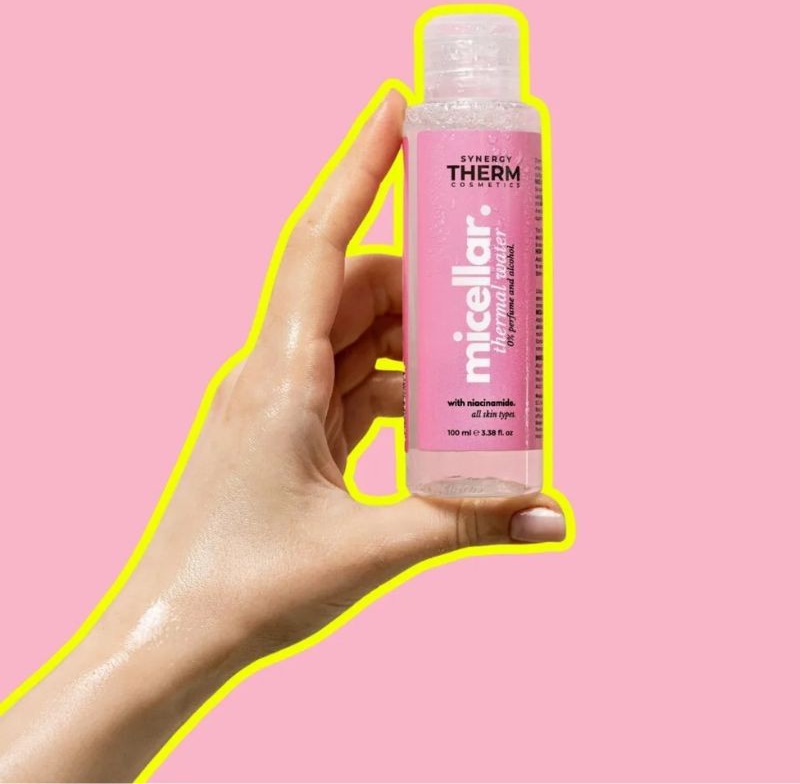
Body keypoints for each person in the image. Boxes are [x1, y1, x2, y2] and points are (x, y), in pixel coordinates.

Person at [0, 89, 566, 782]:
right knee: (478, 282)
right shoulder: (445, 130)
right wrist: (181, 613)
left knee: (490, 282)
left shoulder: (515, 129)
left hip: (504, 417)